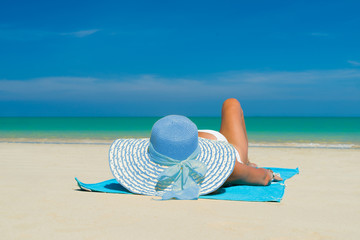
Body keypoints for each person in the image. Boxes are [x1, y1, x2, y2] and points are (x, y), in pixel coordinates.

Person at [198, 98, 282, 186]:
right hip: (228, 152)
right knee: (232, 103)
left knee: (231, 103)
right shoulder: (226, 167)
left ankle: (247, 162)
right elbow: (263, 178)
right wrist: (271, 174)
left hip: (203, 143)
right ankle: (246, 162)